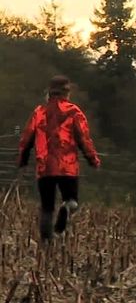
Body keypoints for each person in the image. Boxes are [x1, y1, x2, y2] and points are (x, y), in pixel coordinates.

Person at [17, 75, 101, 241]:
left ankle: (46, 243)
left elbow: (26, 138)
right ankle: (66, 210)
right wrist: (93, 159)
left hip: (45, 167)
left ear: (49, 92)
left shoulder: (39, 112)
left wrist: (23, 159)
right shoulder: (74, 112)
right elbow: (83, 139)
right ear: (66, 92)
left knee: (47, 207)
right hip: (67, 167)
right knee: (72, 201)